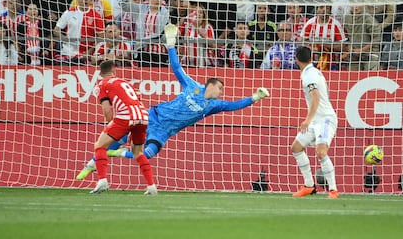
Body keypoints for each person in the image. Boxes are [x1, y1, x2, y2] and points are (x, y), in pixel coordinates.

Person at [76, 24, 270, 179]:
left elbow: (235, 105)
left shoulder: (214, 105)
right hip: (152, 116)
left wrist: (254, 97)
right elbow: (176, 67)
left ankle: (114, 154)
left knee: (148, 153)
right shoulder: (192, 86)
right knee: (114, 140)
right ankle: (90, 166)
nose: (221, 92)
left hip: (164, 131)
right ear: (210, 85)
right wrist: (171, 44)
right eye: (220, 87)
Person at [89, 59, 157, 195]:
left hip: (125, 116)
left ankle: (102, 181)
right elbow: (138, 101)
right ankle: (151, 186)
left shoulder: (101, 85)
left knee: (100, 146)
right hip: (143, 115)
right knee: (138, 152)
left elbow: (107, 110)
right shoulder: (125, 83)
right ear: (114, 71)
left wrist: (110, 125)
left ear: (100, 74)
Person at [291, 46, 339, 199]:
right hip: (316, 119)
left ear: (296, 59)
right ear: (311, 58)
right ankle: (309, 186)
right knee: (297, 147)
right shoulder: (311, 72)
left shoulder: (309, 76)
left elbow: (316, 97)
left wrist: (307, 120)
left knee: (321, 152)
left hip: (325, 119)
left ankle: (333, 190)